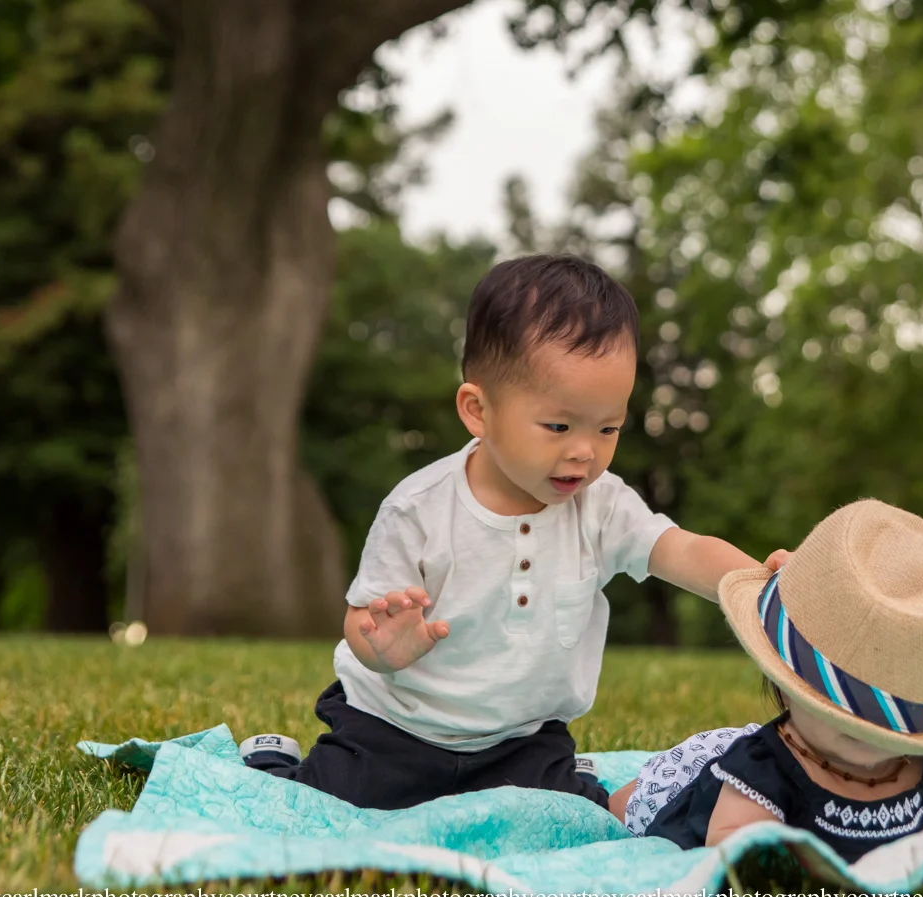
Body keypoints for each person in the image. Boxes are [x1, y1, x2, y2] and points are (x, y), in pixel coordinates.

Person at [241, 254, 762, 810]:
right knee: (325, 807)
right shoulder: (418, 510)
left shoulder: (602, 504)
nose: (585, 451)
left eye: (608, 427)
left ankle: (606, 784)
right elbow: (363, 621)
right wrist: (381, 646)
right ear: (477, 410)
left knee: (572, 815)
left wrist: (757, 584)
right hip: (396, 730)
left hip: (522, 740)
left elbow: (678, 548)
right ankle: (272, 761)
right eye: (559, 426)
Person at [610, 500, 923, 863]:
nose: (863, 727)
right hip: (685, 800)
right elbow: (730, 851)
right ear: (784, 684)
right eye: (836, 711)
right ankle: (590, 784)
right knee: (630, 804)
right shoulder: (763, 769)